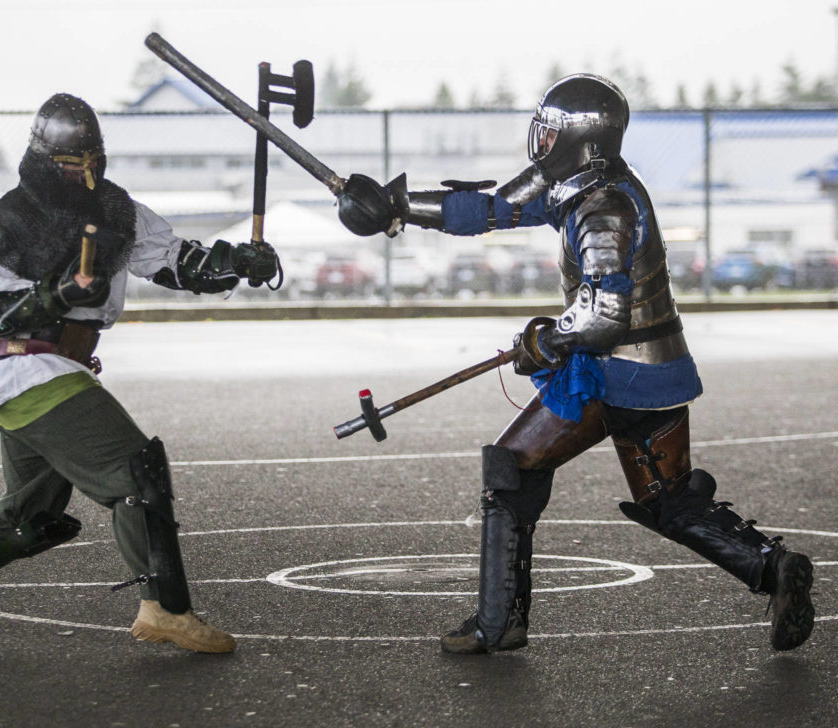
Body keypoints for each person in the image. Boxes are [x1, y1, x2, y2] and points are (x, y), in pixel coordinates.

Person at [334, 74, 814, 654]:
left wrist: (543, 341)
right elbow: (490, 209)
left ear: (579, 138)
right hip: (657, 369)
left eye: (550, 130)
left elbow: (604, 315)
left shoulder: (603, 205)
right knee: (668, 500)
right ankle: (774, 567)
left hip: (617, 371)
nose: (540, 141)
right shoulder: (583, 183)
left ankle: (497, 621)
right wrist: (400, 207)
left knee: (511, 466)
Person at [0, 92, 281, 653]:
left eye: (91, 160)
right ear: (43, 159)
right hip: (30, 368)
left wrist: (235, 262)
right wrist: (60, 290)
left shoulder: (117, 210)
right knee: (137, 471)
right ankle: (166, 607)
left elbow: (181, 262)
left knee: (30, 517)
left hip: (59, 372)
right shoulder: (1, 227)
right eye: (70, 163)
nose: (83, 173)